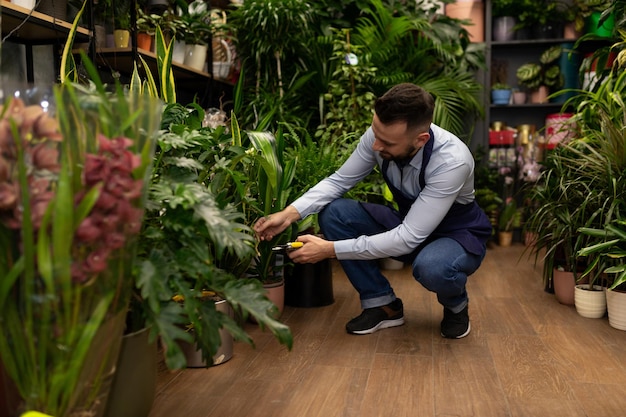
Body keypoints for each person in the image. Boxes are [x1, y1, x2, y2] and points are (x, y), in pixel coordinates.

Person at [254, 83, 492, 339]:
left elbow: (407, 239)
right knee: (334, 214)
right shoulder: (379, 137)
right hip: (407, 223)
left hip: (454, 234)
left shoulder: (451, 161)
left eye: (386, 142)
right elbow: (339, 181)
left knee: (433, 267)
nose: (375, 145)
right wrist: (289, 213)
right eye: (375, 133)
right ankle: (382, 304)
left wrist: (330, 250)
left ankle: (456, 306)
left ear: (420, 139)